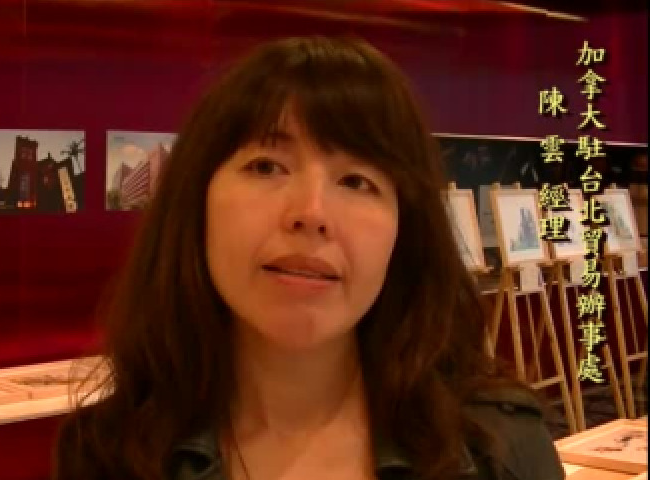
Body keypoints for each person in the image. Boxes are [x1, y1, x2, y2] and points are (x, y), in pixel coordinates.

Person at [55, 36, 564, 480]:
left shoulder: (500, 452)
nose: (311, 213)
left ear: (405, 232)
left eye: (356, 181)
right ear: (195, 202)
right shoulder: (109, 454)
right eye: (266, 166)